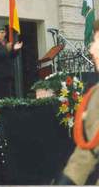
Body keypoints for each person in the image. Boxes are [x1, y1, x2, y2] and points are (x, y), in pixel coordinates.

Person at [54, 20, 99, 185]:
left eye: (97, 42)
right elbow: (88, 150)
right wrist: (66, 182)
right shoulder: (95, 95)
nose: (92, 50)